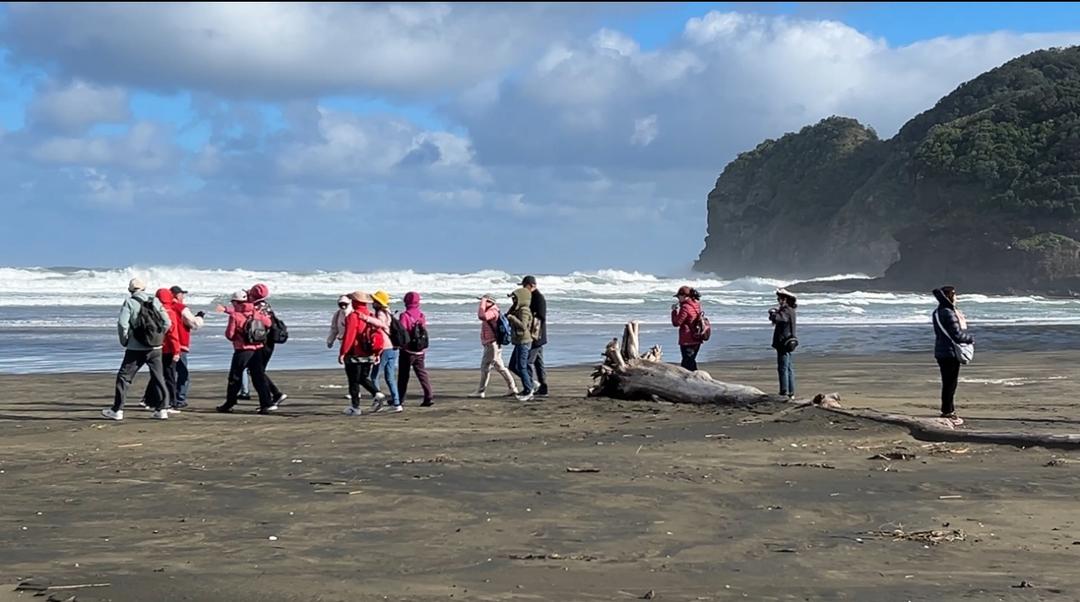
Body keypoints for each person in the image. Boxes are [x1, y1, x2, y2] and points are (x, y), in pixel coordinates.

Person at [104, 278, 172, 421]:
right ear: (144, 288)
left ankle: (117, 410)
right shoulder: (155, 301)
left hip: (135, 348)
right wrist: (158, 337)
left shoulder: (129, 302)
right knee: (158, 377)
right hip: (156, 347)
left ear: (130, 289)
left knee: (124, 377)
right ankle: (162, 409)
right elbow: (167, 322)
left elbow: (123, 324)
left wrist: (125, 341)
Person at [216, 290, 274, 414]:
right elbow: (268, 323)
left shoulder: (235, 315)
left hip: (242, 350)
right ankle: (266, 403)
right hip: (257, 349)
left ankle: (229, 403)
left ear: (236, 302)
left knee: (235, 378)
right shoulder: (255, 312)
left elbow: (230, 335)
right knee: (258, 377)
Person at [932, 286, 973, 426]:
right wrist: (969, 338)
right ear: (950, 296)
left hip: (941, 350)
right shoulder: (949, 313)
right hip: (949, 352)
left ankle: (948, 410)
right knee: (950, 383)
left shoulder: (937, 312)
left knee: (947, 382)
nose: (957, 298)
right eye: (955, 295)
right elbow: (956, 335)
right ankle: (948, 412)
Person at [339, 291, 383, 416]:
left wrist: (343, 352)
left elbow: (350, 336)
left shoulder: (353, 316)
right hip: (369, 352)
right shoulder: (370, 315)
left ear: (354, 302)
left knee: (353, 381)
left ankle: (355, 407)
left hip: (355, 353)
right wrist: (377, 353)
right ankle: (376, 393)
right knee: (363, 378)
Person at [468, 294, 519, 399]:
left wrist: (483, 302)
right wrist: (483, 302)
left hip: (492, 344)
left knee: (485, 367)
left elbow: (481, 316)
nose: (481, 303)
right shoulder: (493, 310)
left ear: (490, 302)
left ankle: (480, 391)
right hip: (492, 344)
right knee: (500, 367)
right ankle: (512, 388)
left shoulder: (493, 311)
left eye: (484, 301)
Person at [140, 288, 182, 412]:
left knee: (156, 375)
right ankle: (171, 403)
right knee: (169, 377)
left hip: (153, 346)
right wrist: (177, 350)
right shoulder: (169, 312)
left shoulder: (152, 309)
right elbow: (172, 334)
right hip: (168, 349)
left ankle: (150, 401)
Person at [248, 283, 287, 408]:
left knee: (257, 372)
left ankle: (272, 396)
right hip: (269, 342)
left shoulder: (256, 307)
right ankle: (274, 395)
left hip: (263, 342)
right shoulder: (265, 305)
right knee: (258, 371)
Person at [363, 290, 398, 412]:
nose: (373, 302)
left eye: (375, 300)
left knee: (374, 376)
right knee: (390, 377)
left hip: (385, 347)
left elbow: (381, 324)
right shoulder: (388, 312)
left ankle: (378, 402)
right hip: (393, 347)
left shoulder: (381, 313)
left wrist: (366, 318)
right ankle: (397, 403)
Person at [398, 291, 434, 407]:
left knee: (403, 375)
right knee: (422, 374)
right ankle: (428, 396)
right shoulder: (421, 315)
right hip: (420, 350)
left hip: (407, 350)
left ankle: (400, 398)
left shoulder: (405, 315)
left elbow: (402, 332)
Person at [171, 285, 204, 408]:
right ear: (177, 295)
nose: (183, 296)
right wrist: (200, 317)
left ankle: (166, 398)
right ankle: (179, 399)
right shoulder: (180, 308)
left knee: (168, 373)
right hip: (179, 344)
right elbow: (195, 324)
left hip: (165, 345)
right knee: (182, 373)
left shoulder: (164, 307)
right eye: (182, 294)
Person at [506, 285, 535, 401]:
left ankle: (529, 390)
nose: (514, 301)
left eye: (515, 299)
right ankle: (530, 383)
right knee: (513, 366)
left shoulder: (524, 310)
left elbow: (523, 326)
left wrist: (512, 318)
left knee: (521, 367)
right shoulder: (517, 309)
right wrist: (512, 310)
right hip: (518, 341)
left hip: (524, 341)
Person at [770, 288, 798, 399]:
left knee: (783, 368)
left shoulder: (786, 311)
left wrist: (773, 313)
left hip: (783, 342)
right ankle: (790, 392)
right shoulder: (791, 310)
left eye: (779, 298)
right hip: (789, 341)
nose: (778, 300)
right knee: (789, 368)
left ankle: (784, 392)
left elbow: (779, 318)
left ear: (785, 299)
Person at [523, 276, 549, 397]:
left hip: (537, 335)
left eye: (525, 286)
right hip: (538, 336)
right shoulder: (532, 297)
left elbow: (541, 317)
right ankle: (543, 387)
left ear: (531, 285)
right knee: (538, 362)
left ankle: (529, 386)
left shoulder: (538, 298)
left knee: (528, 361)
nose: (524, 288)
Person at [670, 285, 703, 371]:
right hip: (697, 337)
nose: (678, 299)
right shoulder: (696, 304)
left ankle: (695, 382)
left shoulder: (685, 307)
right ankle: (697, 380)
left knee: (686, 364)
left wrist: (674, 311)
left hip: (688, 339)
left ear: (684, 296)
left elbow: (676, 323)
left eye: (679, 297)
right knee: (690, 362)